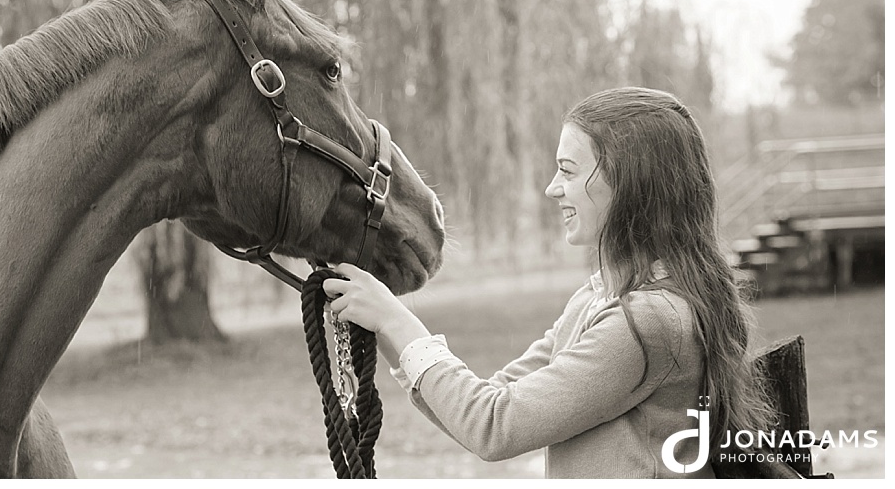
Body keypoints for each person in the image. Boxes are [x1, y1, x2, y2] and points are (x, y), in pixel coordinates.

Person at [322, 86, 774, 479]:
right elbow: (479, 405)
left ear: (629, 184)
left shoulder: (650, 322)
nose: (552, 188)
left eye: (569, 170)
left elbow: (494, 425)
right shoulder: (600, 296)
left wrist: (395, 319)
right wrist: (381, 322)